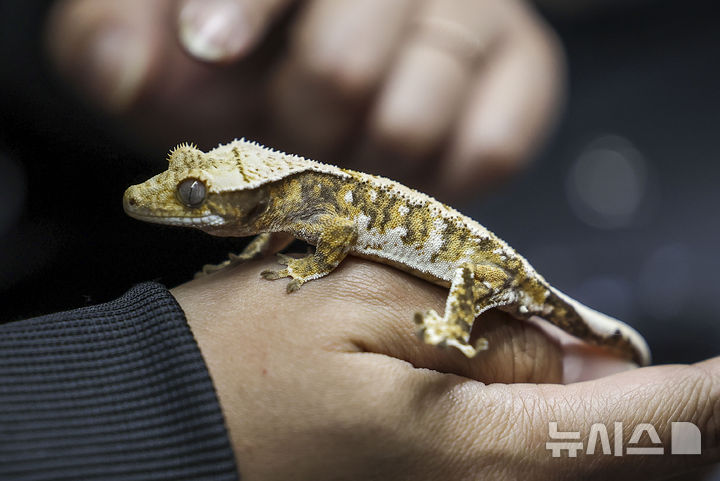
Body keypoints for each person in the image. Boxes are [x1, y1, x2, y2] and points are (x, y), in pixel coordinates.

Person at [2, 0, 718, 480]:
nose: (164, 196)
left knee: (486, 299)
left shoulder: (313, 205)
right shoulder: (283, 202)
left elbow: (336, 235)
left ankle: (466, 325)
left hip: (497, 264)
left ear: (247, 195)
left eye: (193, 192)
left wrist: (428, 319)